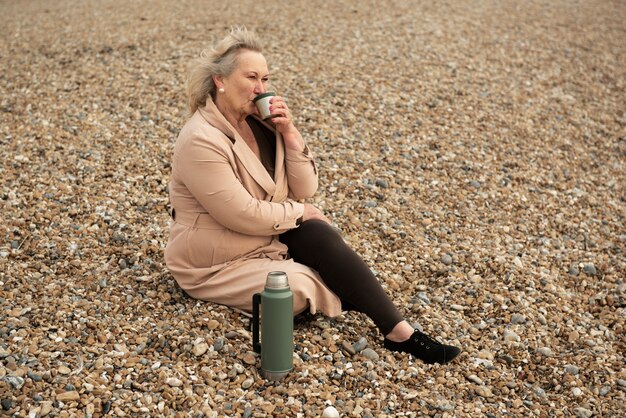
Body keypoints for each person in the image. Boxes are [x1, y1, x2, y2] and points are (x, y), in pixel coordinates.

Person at [164, 27, 461, 365]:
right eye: (251, 77)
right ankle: (349, 289)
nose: (261, 88)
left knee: (319, 235)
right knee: (296, 288)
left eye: (265, 78)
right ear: (220, 80)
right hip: (216, 260)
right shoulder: (200, 139)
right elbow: (240, 213)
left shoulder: (262, 123)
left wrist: (289, 132)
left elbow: (305, 188)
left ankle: (399, 332)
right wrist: (301, 212)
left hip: (263, 237)